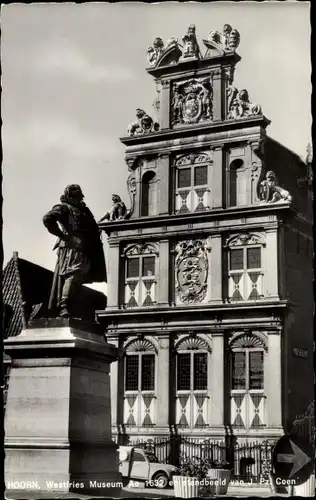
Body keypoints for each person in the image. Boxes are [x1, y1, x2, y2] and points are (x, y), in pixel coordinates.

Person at [43, 184, 107, 318]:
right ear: (70, 195)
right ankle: (63, 305)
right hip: (71, 248)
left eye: (80, 194)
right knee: (73, 274)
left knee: (79, 278)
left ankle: (70, 307)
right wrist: (62, 235)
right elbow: (47, 218)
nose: (80, 196)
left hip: (85, 249)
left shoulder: (84, 211)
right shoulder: (64, 208)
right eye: (76, 194)